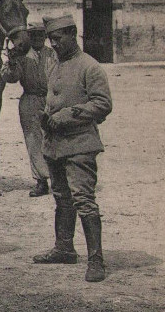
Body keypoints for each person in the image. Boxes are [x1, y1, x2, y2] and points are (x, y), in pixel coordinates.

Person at [33, 14, 113, 282]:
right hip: (54, 146)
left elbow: (103, 104)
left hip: (80, 144)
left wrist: (67, 116)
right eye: (51, 39)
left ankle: (96, 260)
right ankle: (64, 248)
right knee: (62, 198)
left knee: (84, 200)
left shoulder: (89, 66)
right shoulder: (55, 66)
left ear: (72, 34)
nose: (53, 44)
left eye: (58, 38)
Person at [1, 21, 57, 197]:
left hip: (52, 99)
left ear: (46, 36)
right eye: (34, 35)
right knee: (33, 140)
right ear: (29, 38)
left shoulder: (54, 54)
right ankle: (41, 181)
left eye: (41, 34)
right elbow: (10, 78)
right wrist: (11, 63)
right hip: (30, 99)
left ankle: (58, 179)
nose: (38, 38)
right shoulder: (22, 56)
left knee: (54, 138)